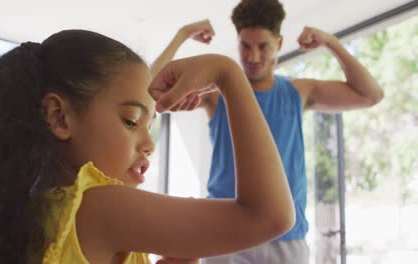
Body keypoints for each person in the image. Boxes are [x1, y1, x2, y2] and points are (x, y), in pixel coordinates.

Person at [0, 29, 296, 264]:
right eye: (130, 121)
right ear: (60, 117)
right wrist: (228, 74)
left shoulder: (26, 211)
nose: (150, 144)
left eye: (149, 125)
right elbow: (269, 216)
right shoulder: (98, 206)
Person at [153, 1, 384, 263]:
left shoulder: (298, 92)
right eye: (245, 46)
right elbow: (151, 86)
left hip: (285, 236)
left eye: (263, 46)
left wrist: (331, 42)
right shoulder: (216, 94)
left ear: (279, 45)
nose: (252, 57)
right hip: (226, 232)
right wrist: (182, 34)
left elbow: (370, 95)